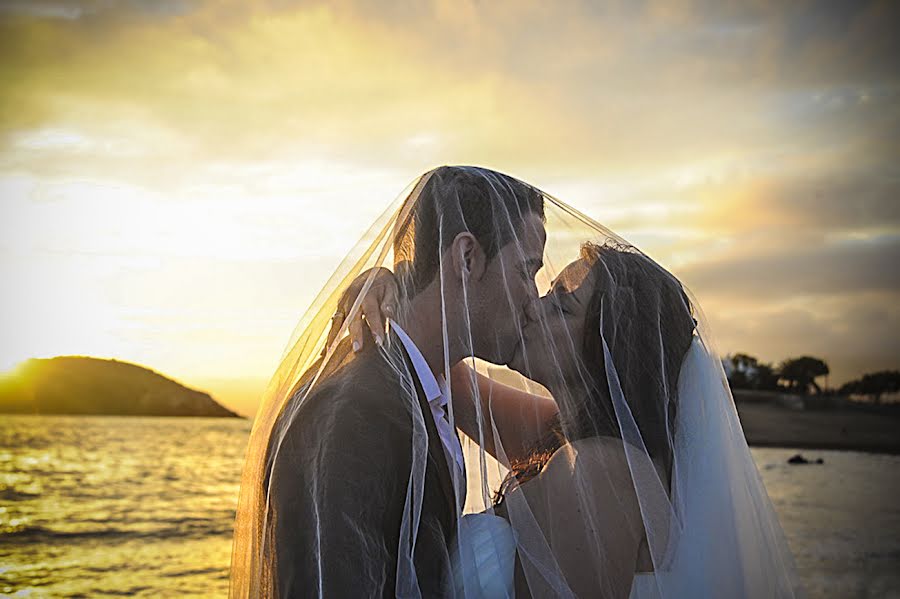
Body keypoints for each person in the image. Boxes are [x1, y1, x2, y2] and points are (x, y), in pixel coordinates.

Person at [229, 166, 554, 598]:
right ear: (467, 257)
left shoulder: (422, 387)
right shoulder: (352, 411)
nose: (534, 298)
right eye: (525, 271)